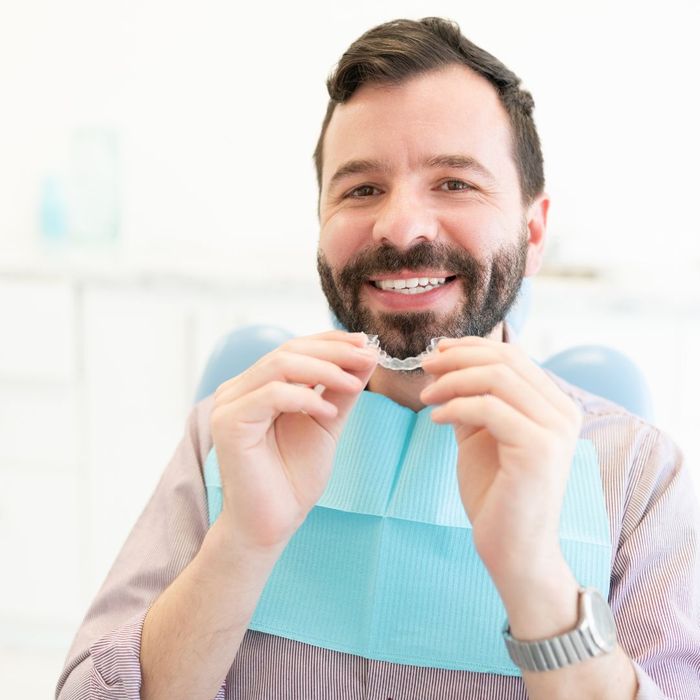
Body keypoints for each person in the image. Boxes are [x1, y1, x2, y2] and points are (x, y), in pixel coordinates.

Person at [56, 17, 700, 700]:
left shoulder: (637, 473)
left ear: (533, 231)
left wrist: (535, 574)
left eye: (454, 183)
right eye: (361, 189)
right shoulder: (228, 436)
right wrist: (240, 544)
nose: (400, 226)